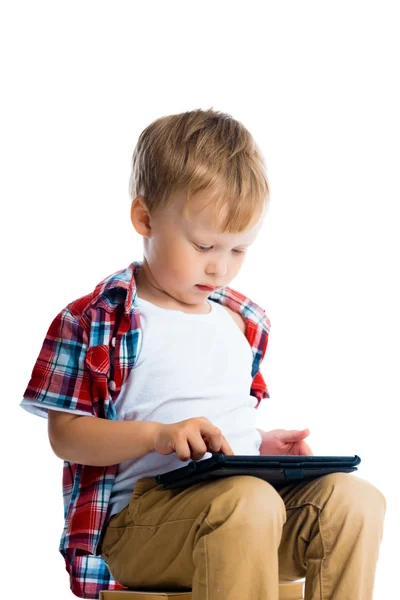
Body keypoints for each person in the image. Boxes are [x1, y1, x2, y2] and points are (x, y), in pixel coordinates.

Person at [20, 108, 386, 600]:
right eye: (204, 245)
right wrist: (158, 436)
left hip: (246, 511)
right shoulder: (99, 319)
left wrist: (257, 443)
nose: (219, 268)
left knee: (354, 500)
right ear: (144, 219)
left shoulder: (239, 322)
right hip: (143, 527)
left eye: (238, 250)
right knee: (247, 501)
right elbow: (66, 437)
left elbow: (213, 429)